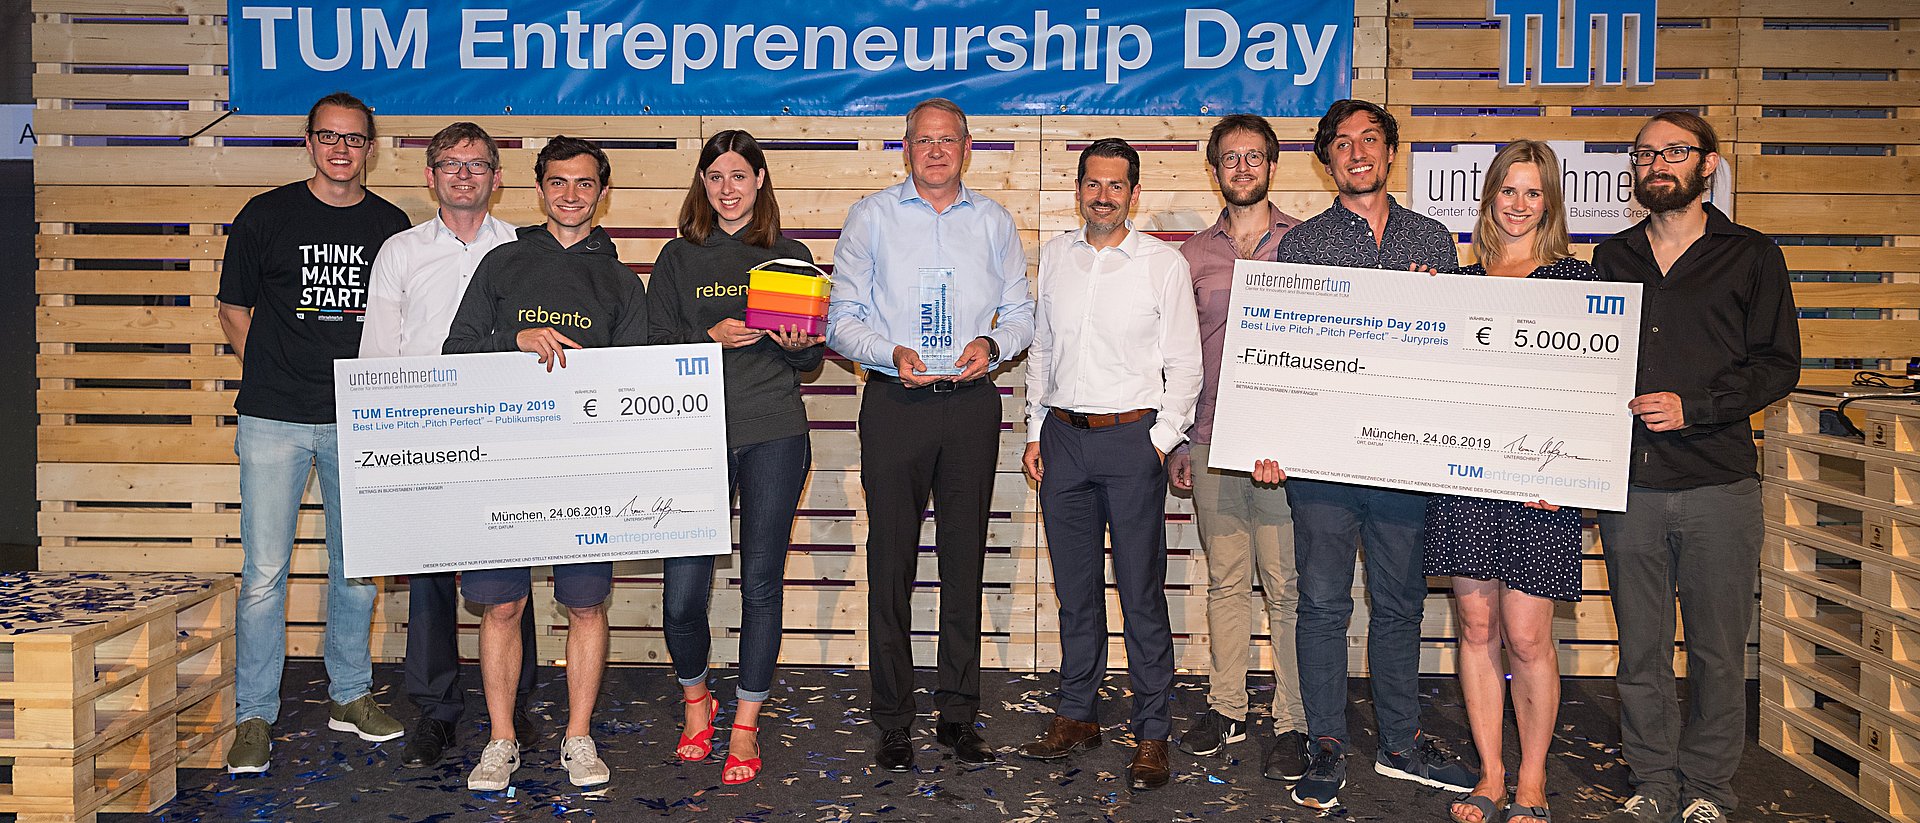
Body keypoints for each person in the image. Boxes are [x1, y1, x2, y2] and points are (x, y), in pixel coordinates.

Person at [1257, 99, 1478, 810]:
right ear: (1327, 159)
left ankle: (1400, 742)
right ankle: (1326, 742)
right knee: (1323, 604)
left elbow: (1453, 353)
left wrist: (1438, 310)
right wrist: (1270, 439)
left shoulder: (1432, 240)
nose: (1357, 152)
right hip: (1323, 463)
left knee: (1400, 606)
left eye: (1370, 139)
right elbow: (1283, 352)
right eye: (1343, 143)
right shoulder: (1302, 245)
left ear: (1390, 151)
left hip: (1405, 461)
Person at [1595, 112, 1799, 823]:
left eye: (1674, 152)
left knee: (1717, 652)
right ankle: (1653, 779)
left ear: (1708, 164)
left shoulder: (1752, 255)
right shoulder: (1611, 258)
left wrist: (1698, 407)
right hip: (1631, 485)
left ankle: (1709, 787)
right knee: (1640, 651)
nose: (1657, 164)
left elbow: (1779, 365)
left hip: (1720, 483)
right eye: (1645, 154)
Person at [826, 97, 1035, 772]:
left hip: (971, 405)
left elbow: (1024, 315)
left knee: (963, 563)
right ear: (906, 148)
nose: (936, 151)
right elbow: (840, 319)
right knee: (890, 565)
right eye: (924, 140)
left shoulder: (994, 221)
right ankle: (892, 720)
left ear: (967, 148)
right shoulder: (871, 217)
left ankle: (957, 715)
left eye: (948, 140)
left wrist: (993, 344)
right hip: (896, 402)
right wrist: (889, 353)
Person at [441, 136, 648, 792]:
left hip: (585, 471)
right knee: (502, 607)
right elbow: (455, 350)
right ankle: (501, 739)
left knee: (585, 606)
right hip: (503, 464)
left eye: (584, 183)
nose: (570, 194)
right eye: (558, 181)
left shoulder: (621, 282)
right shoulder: (502, 263)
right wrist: (515, 339)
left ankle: (578, 737)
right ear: (538, 189)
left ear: (602, 193)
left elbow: (635, 382)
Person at [216, 91, 411, 775]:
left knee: (356, 569)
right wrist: (273, 373)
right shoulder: (265, 214)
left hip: (359, 419)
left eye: (353, 138)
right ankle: (253, 713)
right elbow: (232, 308)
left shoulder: (390, 225)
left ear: (370, 148)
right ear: (308, 142)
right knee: (264, 575)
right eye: (328, 136)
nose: (340, 149)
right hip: (273, 418)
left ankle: (350, 694)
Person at [1014, 138, 1202, 791]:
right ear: (1078, 189)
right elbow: (1042, 351)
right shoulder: (1057, 258)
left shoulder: (1162, 265)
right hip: (1063, 439)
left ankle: (1152, 732)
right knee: (1075, 590)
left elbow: (1185, 365)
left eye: (1116, 185)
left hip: (1132, 443)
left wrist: (1161, 440)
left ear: (1134, 193)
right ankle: (1077, 715)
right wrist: (1035, 429)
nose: (1103, 195)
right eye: (1093, 183)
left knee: (1141, 593)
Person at [357, 121, 539, 768]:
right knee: (431, 576)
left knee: (511, 568)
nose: (464, 174)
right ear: (430, 176)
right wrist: (380, 438)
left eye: (477, 164)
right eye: (451, 164)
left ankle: (515, 704)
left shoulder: (523, 247)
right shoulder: (401, 252)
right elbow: (379, 349)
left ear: (497, 177)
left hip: (506, 427)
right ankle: (435, 710)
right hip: (423, 429)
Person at [1424, 140, 1595, 823]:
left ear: (1549, 203)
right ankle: (1491, 775)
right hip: (1466, 479)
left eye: (1533, 192)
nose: (1519, 204)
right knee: (1475, 626)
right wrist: (1418, 307)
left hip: (1540, 487)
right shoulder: (1457, 283)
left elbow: (1592, 393)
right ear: (1489, 195)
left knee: (1526, 637)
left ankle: (1533, 779)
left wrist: (1573, 473)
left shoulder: (1577, 282)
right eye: (1508, 190)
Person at [647, 129, 823, 786]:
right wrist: (708, 335)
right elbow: (653, 343)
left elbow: (810, 358)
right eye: (716, 176)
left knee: (761, 585)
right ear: (703, 182)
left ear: (759, 181)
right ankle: (698, 702)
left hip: (774, 430)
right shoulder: (678, 257)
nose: (727, 188)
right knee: (681, 596)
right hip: (692, 436)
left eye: (739, 176)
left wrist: (796, 343)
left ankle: (745, 723)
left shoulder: (790, 255)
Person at [1167, 114, 1311, 782]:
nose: (1243, 167)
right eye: (1231, 158)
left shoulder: (1307, 245)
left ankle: (1293, 721)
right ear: (1215, 169)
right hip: (1212, 440)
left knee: (1286, 587)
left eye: (1255, 157)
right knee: (1226, 581)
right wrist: (1179, 440)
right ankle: (1226, 707)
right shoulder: (1192, 256)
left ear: (1273, 166)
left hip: (1287, 448)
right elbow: (1179, 356)